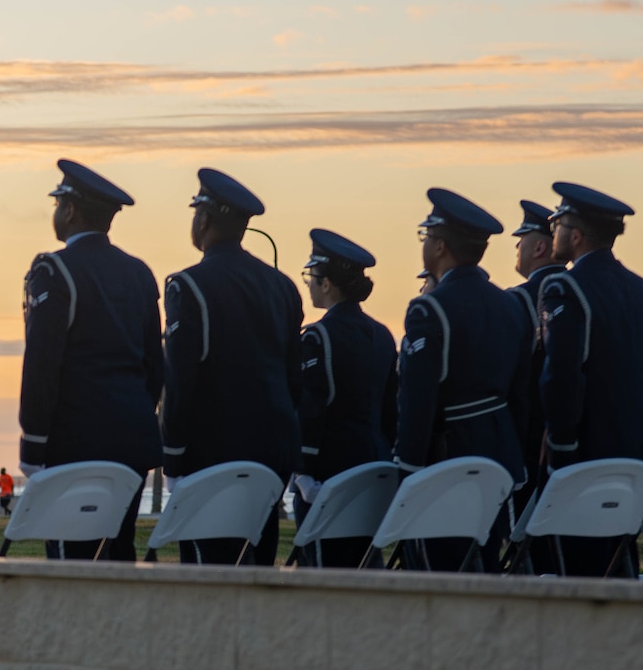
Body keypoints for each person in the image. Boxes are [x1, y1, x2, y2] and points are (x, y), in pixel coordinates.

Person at [17, 159, 163, 560]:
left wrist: (33, 444)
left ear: (70, 209)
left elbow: (43, 363)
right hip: (132, 440)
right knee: (117, 556)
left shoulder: (54, 270)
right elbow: (155, 364)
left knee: (72, 565)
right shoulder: (139, 273)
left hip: (75, 444)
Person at [160, 168, 302, 565]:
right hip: (270, 452)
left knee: (210, 578)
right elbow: (293, 378)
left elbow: (181, 377)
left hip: (212, 452)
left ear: (203, 220)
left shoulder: (188, 285)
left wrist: (174, 455)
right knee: (257, 568)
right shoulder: (283, 286)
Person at [538, 182, 643, 577]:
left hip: (586, 456)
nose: (553, 231)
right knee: (619, 567)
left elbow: (561, 377)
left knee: (576, 577)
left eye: (557, 223)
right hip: (640, 455)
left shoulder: (565, 288)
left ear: (576, 234)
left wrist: (561, 449)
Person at [393, 189, 533, 571]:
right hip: (499, 453)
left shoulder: (430, 307)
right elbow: (521, 394)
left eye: (426, 238)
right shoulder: (511, 304)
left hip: (448, 457)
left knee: (437, 572)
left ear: (439, 247)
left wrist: (408, 470)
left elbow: (418, 400)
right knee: (483, 565)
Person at [292, 230, 396, 567]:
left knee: (324, 572)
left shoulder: (318, 336)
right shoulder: (381, 334)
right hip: (373, 470)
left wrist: (303, 472)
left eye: (311, 277)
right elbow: (389, 408)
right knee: (365, 566)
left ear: (327, 284)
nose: (308, 284)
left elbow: (312, 409)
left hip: (328, 475)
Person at [505, 200, 564, 558]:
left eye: (521, 239)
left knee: (529, 554)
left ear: (540, 246)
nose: (517, 247)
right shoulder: (587, 291)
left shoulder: (518, 300)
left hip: (530, 447)